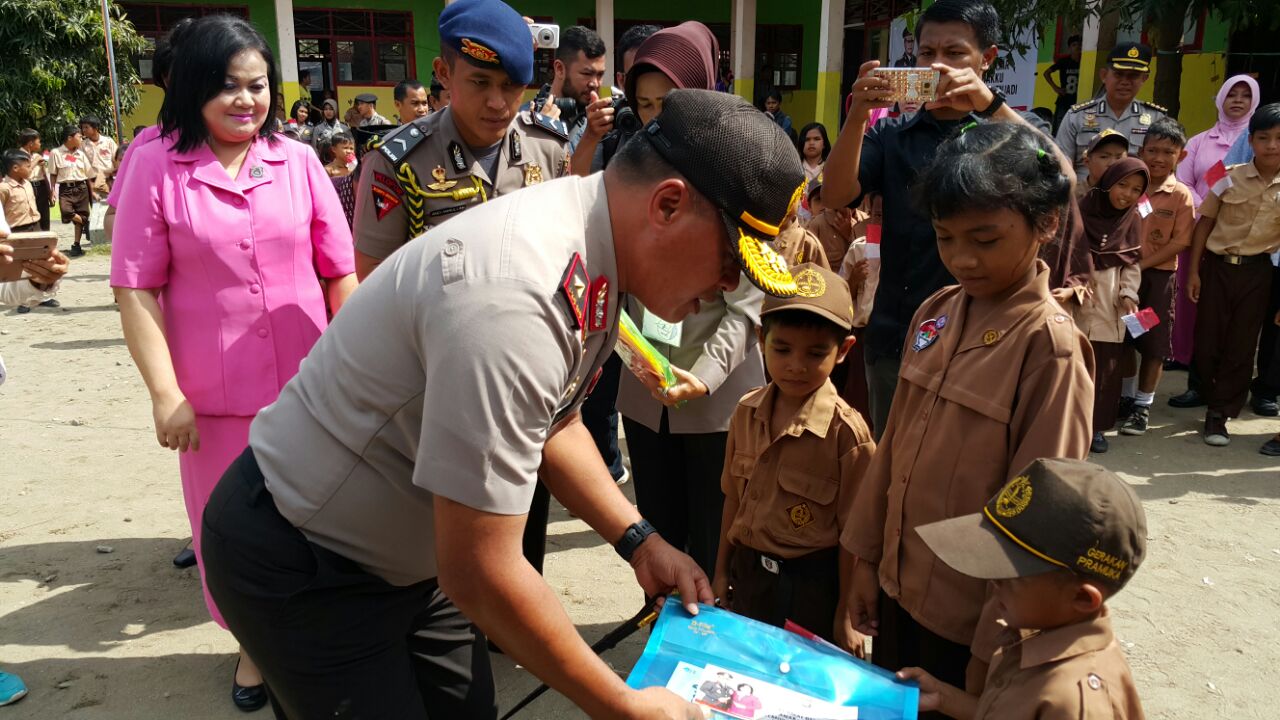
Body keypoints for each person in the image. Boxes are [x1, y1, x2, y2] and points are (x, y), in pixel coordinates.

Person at [200, 87, 805, 720]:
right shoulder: (517, 295)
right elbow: (481, 571)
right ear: (668, 205)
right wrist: (624, 705)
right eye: (733, 259)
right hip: (306, 559)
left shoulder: (594, 242)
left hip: (411, 558)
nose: (730, 285)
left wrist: (638, 539)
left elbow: (553, 417)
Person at [111, 15, 357, 711]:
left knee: (317, 520)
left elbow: (340, 273)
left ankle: (308, 638)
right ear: (191, 89)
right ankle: (253, 644)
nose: (246, 102)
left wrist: (354, 368)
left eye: (257, 87)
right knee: (233, 535)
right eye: (227, 88)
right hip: (213, 402)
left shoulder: (300, 161)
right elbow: (135, 286)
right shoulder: (156, 164)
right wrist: (165, 394)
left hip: (310, 388)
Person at [838, 122, 1094, 704]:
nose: (962, 259)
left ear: (1046, 223)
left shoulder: (1048, 347)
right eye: (945, 238)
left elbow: (1037, 521)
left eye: (985, 239)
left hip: (970, 621)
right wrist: (865, 561)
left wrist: (988, 652)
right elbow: (894, 444)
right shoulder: (937, 310)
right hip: (898, 592)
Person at [822, 0, 1064, 439]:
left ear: (986, 59)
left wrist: (990, 106)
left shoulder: (1009, 131)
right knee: (892, 461)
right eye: (925, 53)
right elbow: (836, 194)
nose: (937, 66)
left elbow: (1061, 177)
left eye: (954, 53)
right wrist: (857, 114)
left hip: (991, 338)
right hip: (900, 336)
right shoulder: (890, 134)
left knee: (968, 463)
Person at [614, 20, 757, 580]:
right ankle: (661, 634)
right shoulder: (630, 167)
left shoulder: (736, 170)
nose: (655, 119)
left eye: (667, 102)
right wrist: (627, 352)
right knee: (657, 533)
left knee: (713, 534)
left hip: (713, 397)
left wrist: (702, 376)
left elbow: (746, 305)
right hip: (645, 390)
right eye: (644, 105)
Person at [898, 458, 1147, 720]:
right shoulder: (1034, 633)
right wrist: (943, 697)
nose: (995, 582)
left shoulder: (1076, 703)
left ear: (1083, 598)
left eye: (1013, 576)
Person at [352, 0, 571, 282]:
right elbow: (374, 277)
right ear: (444, 73)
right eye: (480, 82)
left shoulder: (549, 147)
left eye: (511, 85)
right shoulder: (396, 163)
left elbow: (565, 251)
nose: (496, 102)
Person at [712, 263, 875, 641]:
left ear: (843, 350)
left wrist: (845, 617)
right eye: (781, 348)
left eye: (816, 353)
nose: (796, 366)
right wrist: (721, 570)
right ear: (760, 340)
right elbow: (732, 500)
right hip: (750, 577)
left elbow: (854, 535)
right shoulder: (746, 412)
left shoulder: (847, 434)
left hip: (811, 592)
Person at [1184, 103, 1280, 447]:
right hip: (1218, 268)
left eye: (1279, 138)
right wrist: (1194, 271)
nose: (1272, 145)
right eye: (1264, 137)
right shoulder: (1225, 172)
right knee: (1208, 341)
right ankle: (1208, 392)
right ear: (1251, 141)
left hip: (1259, 275)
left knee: (1242, 345)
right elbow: (1205, 221)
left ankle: (1220, 414)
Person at [1169, 75, 1260, 408]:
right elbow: (1189, 182)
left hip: (1244, 238)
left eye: (1244, 96)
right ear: (1220, 98)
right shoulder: (1200, 141)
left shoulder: (1260, 138)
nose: (1237, 101)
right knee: (1194, 298)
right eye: (1231, 94)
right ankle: (1185, 359)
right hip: (1201, 225)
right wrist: (1207, 207)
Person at [1116, 119, 1195, 436]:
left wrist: (1142, 265)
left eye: (1168, 152)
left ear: (1182, 156)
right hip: (1121, 280)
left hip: (1155, 282)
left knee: (1151, 344)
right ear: (1141, 150)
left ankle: (1142, 406)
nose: (1158, 158)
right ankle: (1124, 397)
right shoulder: (1128, 186)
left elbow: (1179, 242)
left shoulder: (1180, 195)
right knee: (1122, 338)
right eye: (1152, 150)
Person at [1075, 158, 1149, 454]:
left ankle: (1095, 429)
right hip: (1076, 304)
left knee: (1104, 373)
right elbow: (1065, 251)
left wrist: (1130, 295)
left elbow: (1131, 265)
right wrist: (1073, 282)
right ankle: (1067, 425)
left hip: (1109, 309)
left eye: (1136, 189)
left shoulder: (1132, 219)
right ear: (1108, 182)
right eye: (1122, 185)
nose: (1127, 194)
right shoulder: (1080, 211)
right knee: (1072, 368)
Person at [1055, 42, 1167, 185]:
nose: (1125, 82)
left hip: (1134, 201)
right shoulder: (1076, 116)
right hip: (1085, 199)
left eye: (1133, 76)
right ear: (1104, 75)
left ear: (1144, 79)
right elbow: (1061, 167)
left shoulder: (1155, 119)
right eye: (1119, 74)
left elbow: (1162, 167)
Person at [570, 23, 661, 178]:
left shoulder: (685, 121)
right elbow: (577, 186)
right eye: (635, 75)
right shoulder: (602, 125)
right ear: (621, 80)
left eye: (654, 72)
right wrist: (591, 137)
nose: (647, 82)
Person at [544, 25, 607, 151]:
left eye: (600, 75)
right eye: (587, 74)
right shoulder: (526, 120)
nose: (594, 83)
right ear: (560, 69)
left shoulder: (604, 128)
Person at [46, 125, 93, 257]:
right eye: (79, 136)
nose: (81, 138)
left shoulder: (81, 154)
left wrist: (92, 192)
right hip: (66, 189)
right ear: (70, 137)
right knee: (66, 212)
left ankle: (76, 245)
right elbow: (53, 174)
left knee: (81, 214)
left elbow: (88, 174)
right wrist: (52, 190)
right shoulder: (56, 153)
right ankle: (86, 223)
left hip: (81, 187)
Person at [1042, 35, 1082, 134]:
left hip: (1079, 101)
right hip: (1064, 101)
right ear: (1069, 48)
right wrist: (1056, 88)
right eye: (1074, 45)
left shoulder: (1085, 62)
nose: (1077, 47)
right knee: (1058, 130)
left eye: (1079, 45)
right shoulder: (1064, 62)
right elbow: (1046, 73)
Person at [1078, 129, 1129, 197]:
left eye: (1119, 157)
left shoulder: (1130, 195)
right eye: (1104, 157)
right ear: (1087, 162)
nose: (1112, 163)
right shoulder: (1072, 195)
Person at [17, 129, 50, 231]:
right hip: (27, 187)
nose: (40, 144)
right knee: (31, 215)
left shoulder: (36, 156)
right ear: (31, 143)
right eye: (38, 141)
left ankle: (45, 241)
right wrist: (35, 161)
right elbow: (24, 174)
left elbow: (45, 175)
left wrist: (50, 191)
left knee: (44, 215)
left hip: (41, 187)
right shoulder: (18, 155)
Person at [796, 122, 829, 222]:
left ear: (824, 144)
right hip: (797, 223)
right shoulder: (793, 168)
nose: (811, 143)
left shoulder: (831, 168)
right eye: (807, 140)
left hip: (824, 222)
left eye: (816, 139)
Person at [79, 115, 118, 197]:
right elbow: (83, 168)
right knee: (98, 208)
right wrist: (91, 187)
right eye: (82, 128)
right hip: (94, 183)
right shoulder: (82, 145)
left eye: (86, 127)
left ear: (95, 128)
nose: (83, 130)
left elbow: (116, 161)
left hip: (110, 181)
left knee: (114, 208)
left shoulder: (108, 142)